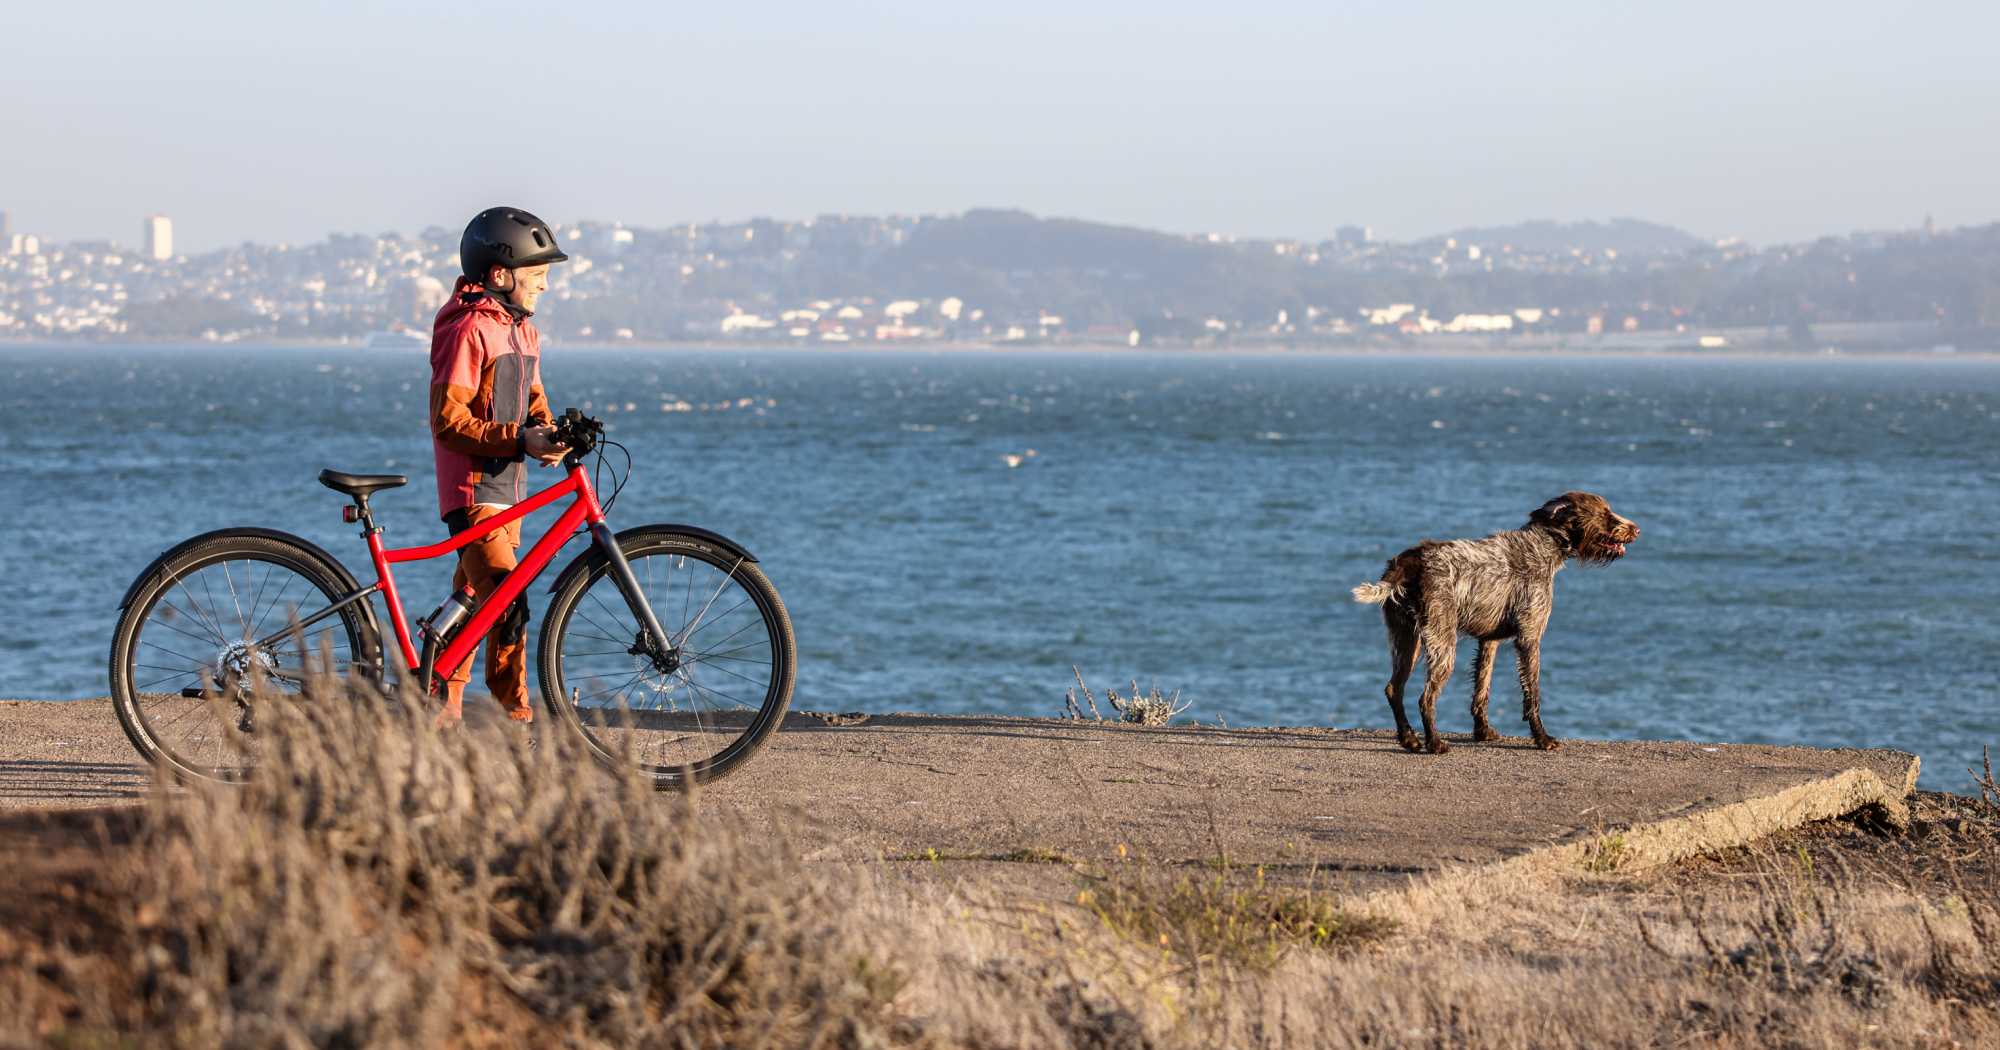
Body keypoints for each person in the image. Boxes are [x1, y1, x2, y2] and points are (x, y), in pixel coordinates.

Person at [426, 206, 570, 727]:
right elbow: (448, 420)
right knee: (507, 606)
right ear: (500, 276)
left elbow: (535, 402)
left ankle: (441, 706)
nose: (545, 288)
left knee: (468, 602)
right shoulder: (468, 330)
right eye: (538, 277)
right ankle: (516, 719)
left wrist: (553, 434)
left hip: (509, 490)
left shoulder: (521, 331)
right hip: (473, 491)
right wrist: (518, 439)